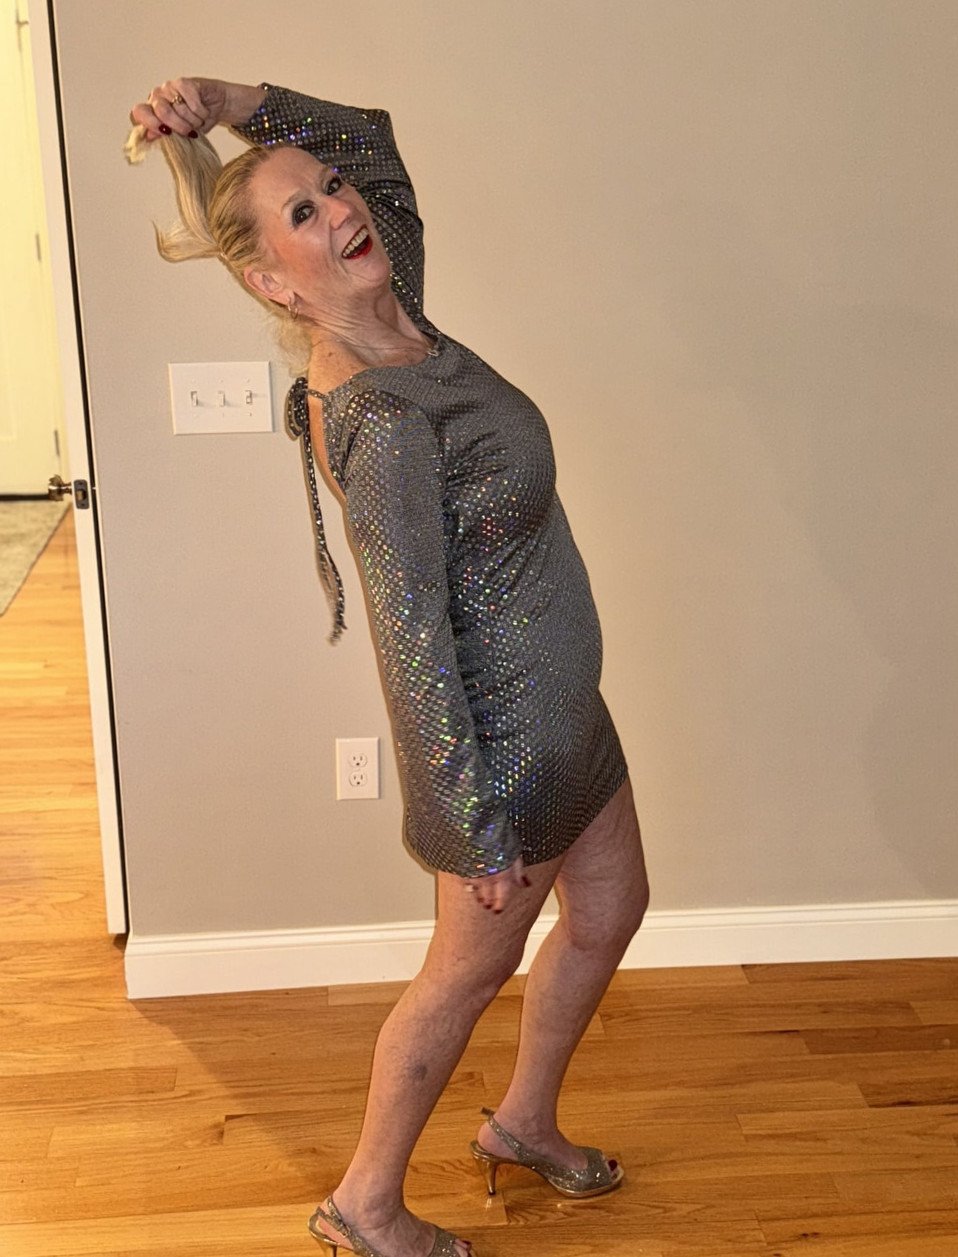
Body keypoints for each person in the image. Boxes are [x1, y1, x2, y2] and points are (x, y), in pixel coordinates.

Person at [127, 75, 650, 1257]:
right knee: (460, 979)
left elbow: (365, 141)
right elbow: (410, 639)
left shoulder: (397, 306)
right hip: (507, 755)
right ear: (270, 282)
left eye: (329, 190)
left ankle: (522, 1123)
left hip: (571, 714)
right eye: (301, 217)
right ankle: (363, 1205)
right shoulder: (379, 417)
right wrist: (471, 827)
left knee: (612, 910)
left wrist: (229, 100)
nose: (339, 208)